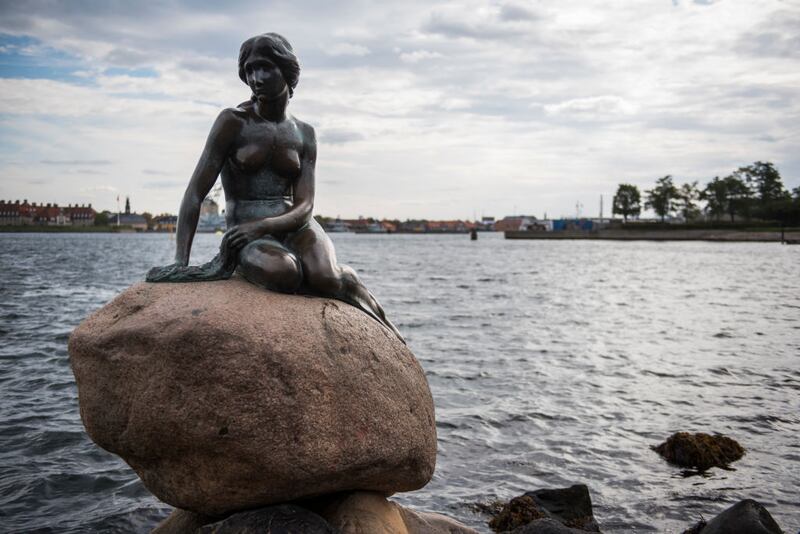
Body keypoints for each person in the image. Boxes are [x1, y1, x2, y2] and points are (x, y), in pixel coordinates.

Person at [147, 33, 402, 341]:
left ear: (287, 70)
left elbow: (305, 205)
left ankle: (380, 321)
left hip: (297, 226)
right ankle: (251, 266)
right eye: (249, 70)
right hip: (245, 232)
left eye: (264, 68)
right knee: (285, 273)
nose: (255, 78)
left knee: (327, 276)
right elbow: (194, 195)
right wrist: (180, 260)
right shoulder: (233, 122)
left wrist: (265, 224)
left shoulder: (305, 134)